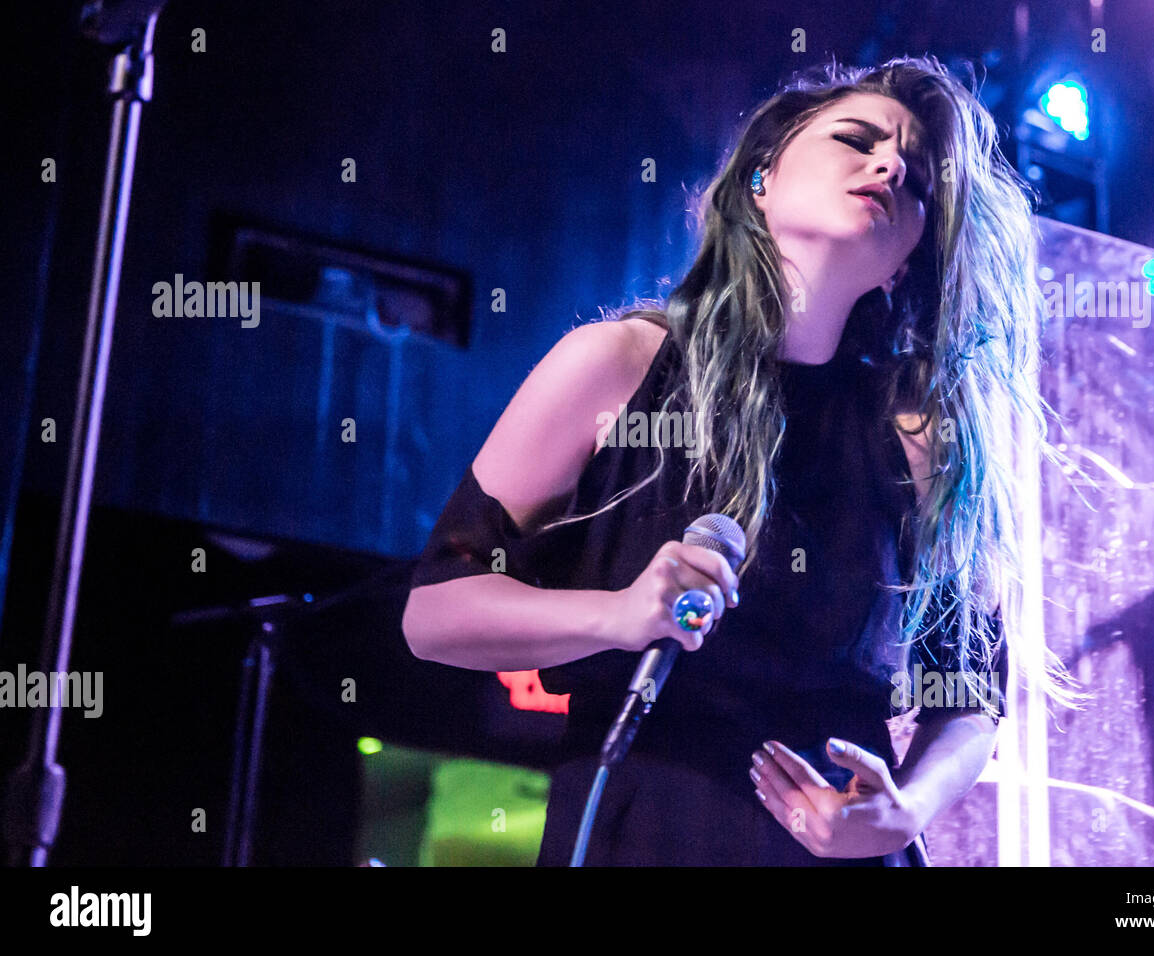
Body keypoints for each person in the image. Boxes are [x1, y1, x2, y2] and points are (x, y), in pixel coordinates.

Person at [402, 55, 1084, 866]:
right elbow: (433, 614)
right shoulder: (616, 365)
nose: (891, 165)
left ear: (906, 257)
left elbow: (969, 689)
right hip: (649, 824)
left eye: (917, 176)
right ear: (761, 175)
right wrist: (615, 617)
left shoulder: (915, 432)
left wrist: (907, 810)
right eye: (856, 140)